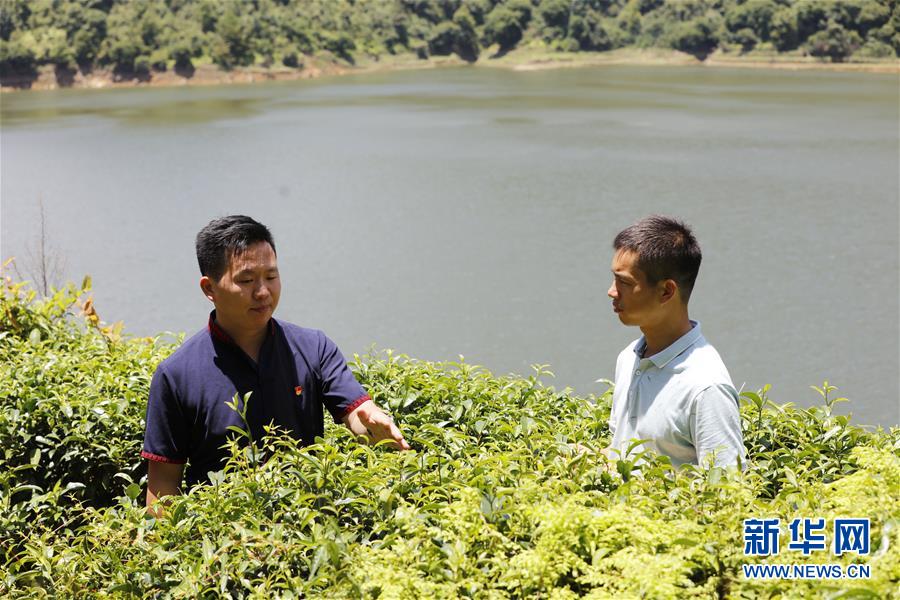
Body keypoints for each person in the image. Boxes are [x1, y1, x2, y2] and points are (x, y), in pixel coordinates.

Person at [143, 215, 409, 511]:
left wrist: (373, 422)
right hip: (220, 544)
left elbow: (355, 411)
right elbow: (164, 486)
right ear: (209, 288)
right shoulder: (176, 374)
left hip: (306, 528)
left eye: (271, 276)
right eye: (246, 280)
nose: (263, 292)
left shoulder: (313, 347)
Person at [605, 215, 745, 468]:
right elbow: (621, 451)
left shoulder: (705, 387)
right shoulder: (629, 358)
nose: (612, 292)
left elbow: (728, 491)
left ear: (666, 291)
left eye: (624, 282)